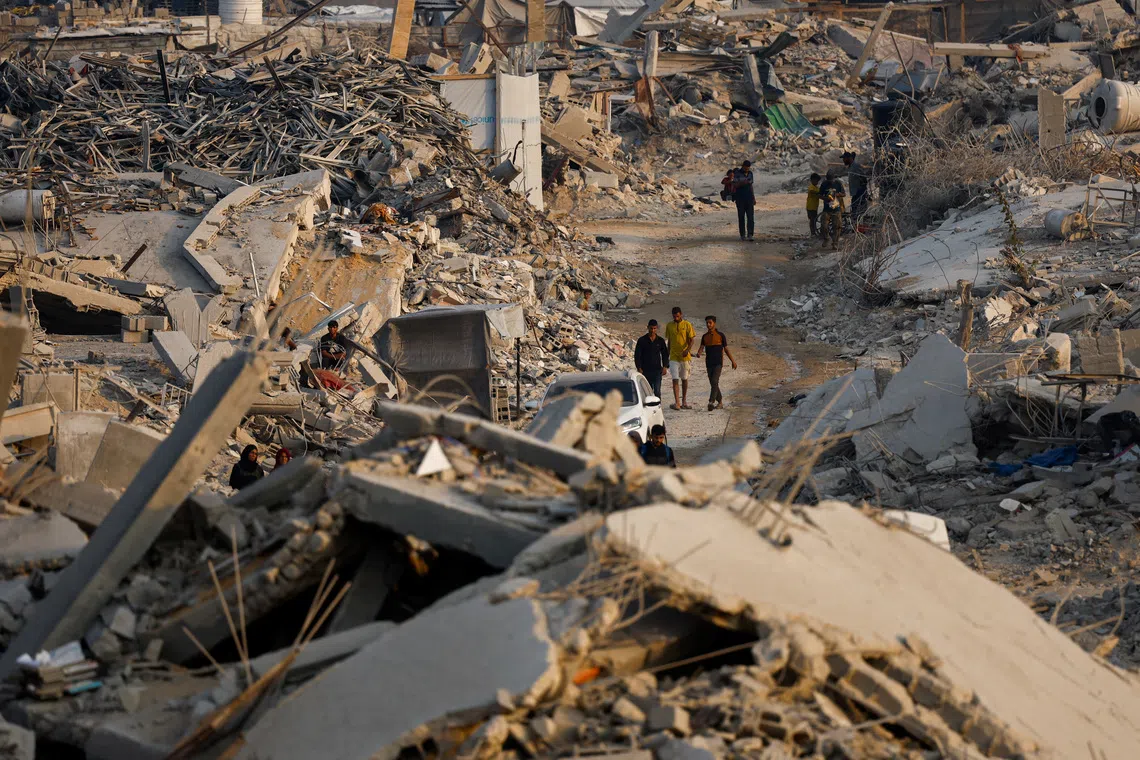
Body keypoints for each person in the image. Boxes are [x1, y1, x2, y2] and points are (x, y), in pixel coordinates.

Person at [695, 315, 737, 411]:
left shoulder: (721, 335)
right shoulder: (704, 336)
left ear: (714, 323)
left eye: (710, 322)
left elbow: (726, 349)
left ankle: (711, 401)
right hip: (709, 363)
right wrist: (699, 353)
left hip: (718, 363)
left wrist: (733, 361)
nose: (708, 325)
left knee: (714, 381)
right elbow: (701, 347)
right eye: (707, 323)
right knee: (713, 383)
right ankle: (720, 402)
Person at [665, 306, 695, 410]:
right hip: (673, 356)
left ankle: (684, 401)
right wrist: (667, 355)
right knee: (675, 379)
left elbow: (692, 340)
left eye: (677, 316)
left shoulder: (687, 324)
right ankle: (677, 402)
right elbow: (669, 342)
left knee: (685, 379)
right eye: (674, 316)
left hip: (685, 357)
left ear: (681, 314)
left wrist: (687, 350)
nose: (676, 318)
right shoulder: (669, 325)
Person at [634, 319, 669, 399]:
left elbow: (664, 354)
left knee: (657, 391)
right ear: (648, 328)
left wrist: (665, 366)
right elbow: (637, 355)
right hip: (645, 370)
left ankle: (658, 408)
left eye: (654, 328)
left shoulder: (660, 341)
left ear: (657, 328)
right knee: (647, 393)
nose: (652, 330)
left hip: (657, 371)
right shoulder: (642, 340)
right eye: (651, 328)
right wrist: (639, 367)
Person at [819, 169, 846, 250]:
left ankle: (835, 243)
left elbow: (844, 194)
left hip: (836, 208)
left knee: (837, 226)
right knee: (823, 225)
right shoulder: (824, 184)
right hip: (827, 209)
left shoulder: (838, 183)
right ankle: (826, 238)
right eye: (828, 180)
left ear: (834, 178)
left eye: (831, 180)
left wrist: (837, 194)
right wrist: (826, 198)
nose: (830, 182)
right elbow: (819, 195)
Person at [843, 151, 870, 223]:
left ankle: (859, 225)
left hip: (859, 191)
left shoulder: (856, 166)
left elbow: (863, 177)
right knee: (855, 209)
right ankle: (856, 224)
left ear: (849, 158)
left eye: (844, 158)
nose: (843, 160)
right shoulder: (851, 166)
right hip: (855, 192)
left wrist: (863, 190)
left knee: (859, 209)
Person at [731, 160, 755, 241]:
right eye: (746, 168)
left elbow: (751, 186)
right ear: (743, 166)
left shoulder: (750, 174)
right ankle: (742, 235)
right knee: (741, 217)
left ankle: (750, 234)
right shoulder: (737, 174)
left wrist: (753, 197)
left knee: (750, 217)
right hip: (740, 198)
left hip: (749, 198)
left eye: (748, 168)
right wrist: (742, 183)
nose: (747, 170)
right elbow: (734, 185)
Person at [806, 172, 821, 238]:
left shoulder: (817, 188)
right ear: (812, 180)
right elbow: (812, 191)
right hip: (810, 207)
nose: (817, 182)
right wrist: (819, 193)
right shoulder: (811, 187)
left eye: (818, 181)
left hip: (814, 207)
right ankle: (813, 233)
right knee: (812, 220)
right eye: (816, 181)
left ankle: (814, 232)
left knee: (814, 219)